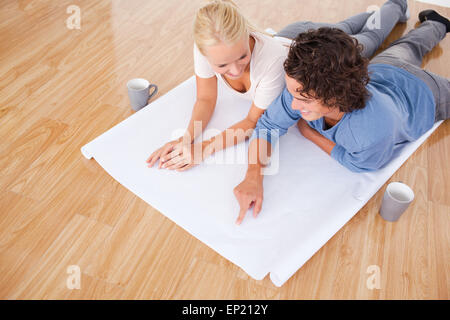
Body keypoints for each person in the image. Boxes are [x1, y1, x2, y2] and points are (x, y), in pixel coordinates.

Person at [233, 10, 450, 225]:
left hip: (426, 93)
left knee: (410, 48)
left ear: (336, 95)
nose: (293, 105)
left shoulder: (370, 133)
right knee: (409, 46)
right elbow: (268, 125)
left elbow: (360, 163)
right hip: (386, 69)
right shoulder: (302, 86)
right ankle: (436, 23)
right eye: (293, 93)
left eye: (305, 100)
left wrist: (310, 133)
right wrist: (253, 175)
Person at [146, 0, 409, 171]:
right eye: (223, 66)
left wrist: (203, 149)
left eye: (242, 57)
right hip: (300, 34)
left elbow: (252, 123)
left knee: (367, 39)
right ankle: (367, 15)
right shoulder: (207, 49)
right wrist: (186, 138)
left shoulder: (272, 63)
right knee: (341, 29)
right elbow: (205, 99)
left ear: (247, 35)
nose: (235, 70)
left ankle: (396, 4)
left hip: (302, 48)